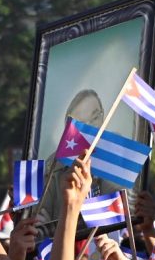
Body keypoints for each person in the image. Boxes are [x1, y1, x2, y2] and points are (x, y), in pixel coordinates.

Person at [38, 89, 120, 221]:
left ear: (103, 115)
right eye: (81, 123)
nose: (90, 126)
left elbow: (124, 213)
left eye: (95, 117)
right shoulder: (54, 166)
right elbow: (41, 217)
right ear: (68, 127)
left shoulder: (117, 161)